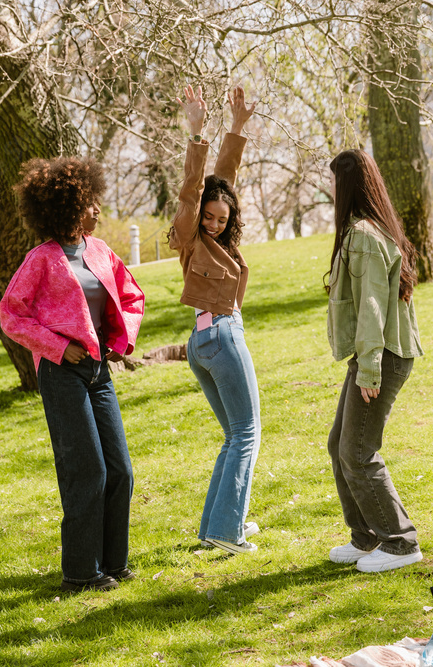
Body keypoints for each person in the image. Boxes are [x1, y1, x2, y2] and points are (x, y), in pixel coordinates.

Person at [0, 156, 145, 592]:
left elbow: (131, 294)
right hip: (62, 375)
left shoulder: (99, 251)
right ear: (66, 206)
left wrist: (118, 343)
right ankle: (81, 573)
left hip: (98, 372)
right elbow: (12, 316)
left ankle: (114, 564)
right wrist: (61, 349)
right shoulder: (41, 260)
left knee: (120, 470)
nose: (97, 210)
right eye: (89, 203)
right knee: (87, 471)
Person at [167, 84, 260, 555]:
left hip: (203, 341)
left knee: (233, 435)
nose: (214, 223)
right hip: (221, 333)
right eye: (209, 218)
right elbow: (193, 191)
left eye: (221, 219)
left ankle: (219, 525)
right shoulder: (189, 232)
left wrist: (237, 129)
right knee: (247, 433)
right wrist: (196, 134)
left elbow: (222, 179)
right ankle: (227, 532)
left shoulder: (220, 229)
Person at [324, 149, 424, 573]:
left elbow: (371, 309)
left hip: (381, 356)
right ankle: (366, 536)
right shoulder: (370, 230)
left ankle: (400, 542)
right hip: (377, 354)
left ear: (346, 187)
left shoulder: (364, 235)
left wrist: (368, 367)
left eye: (335, 183)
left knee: (359, 451)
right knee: (339, 445)